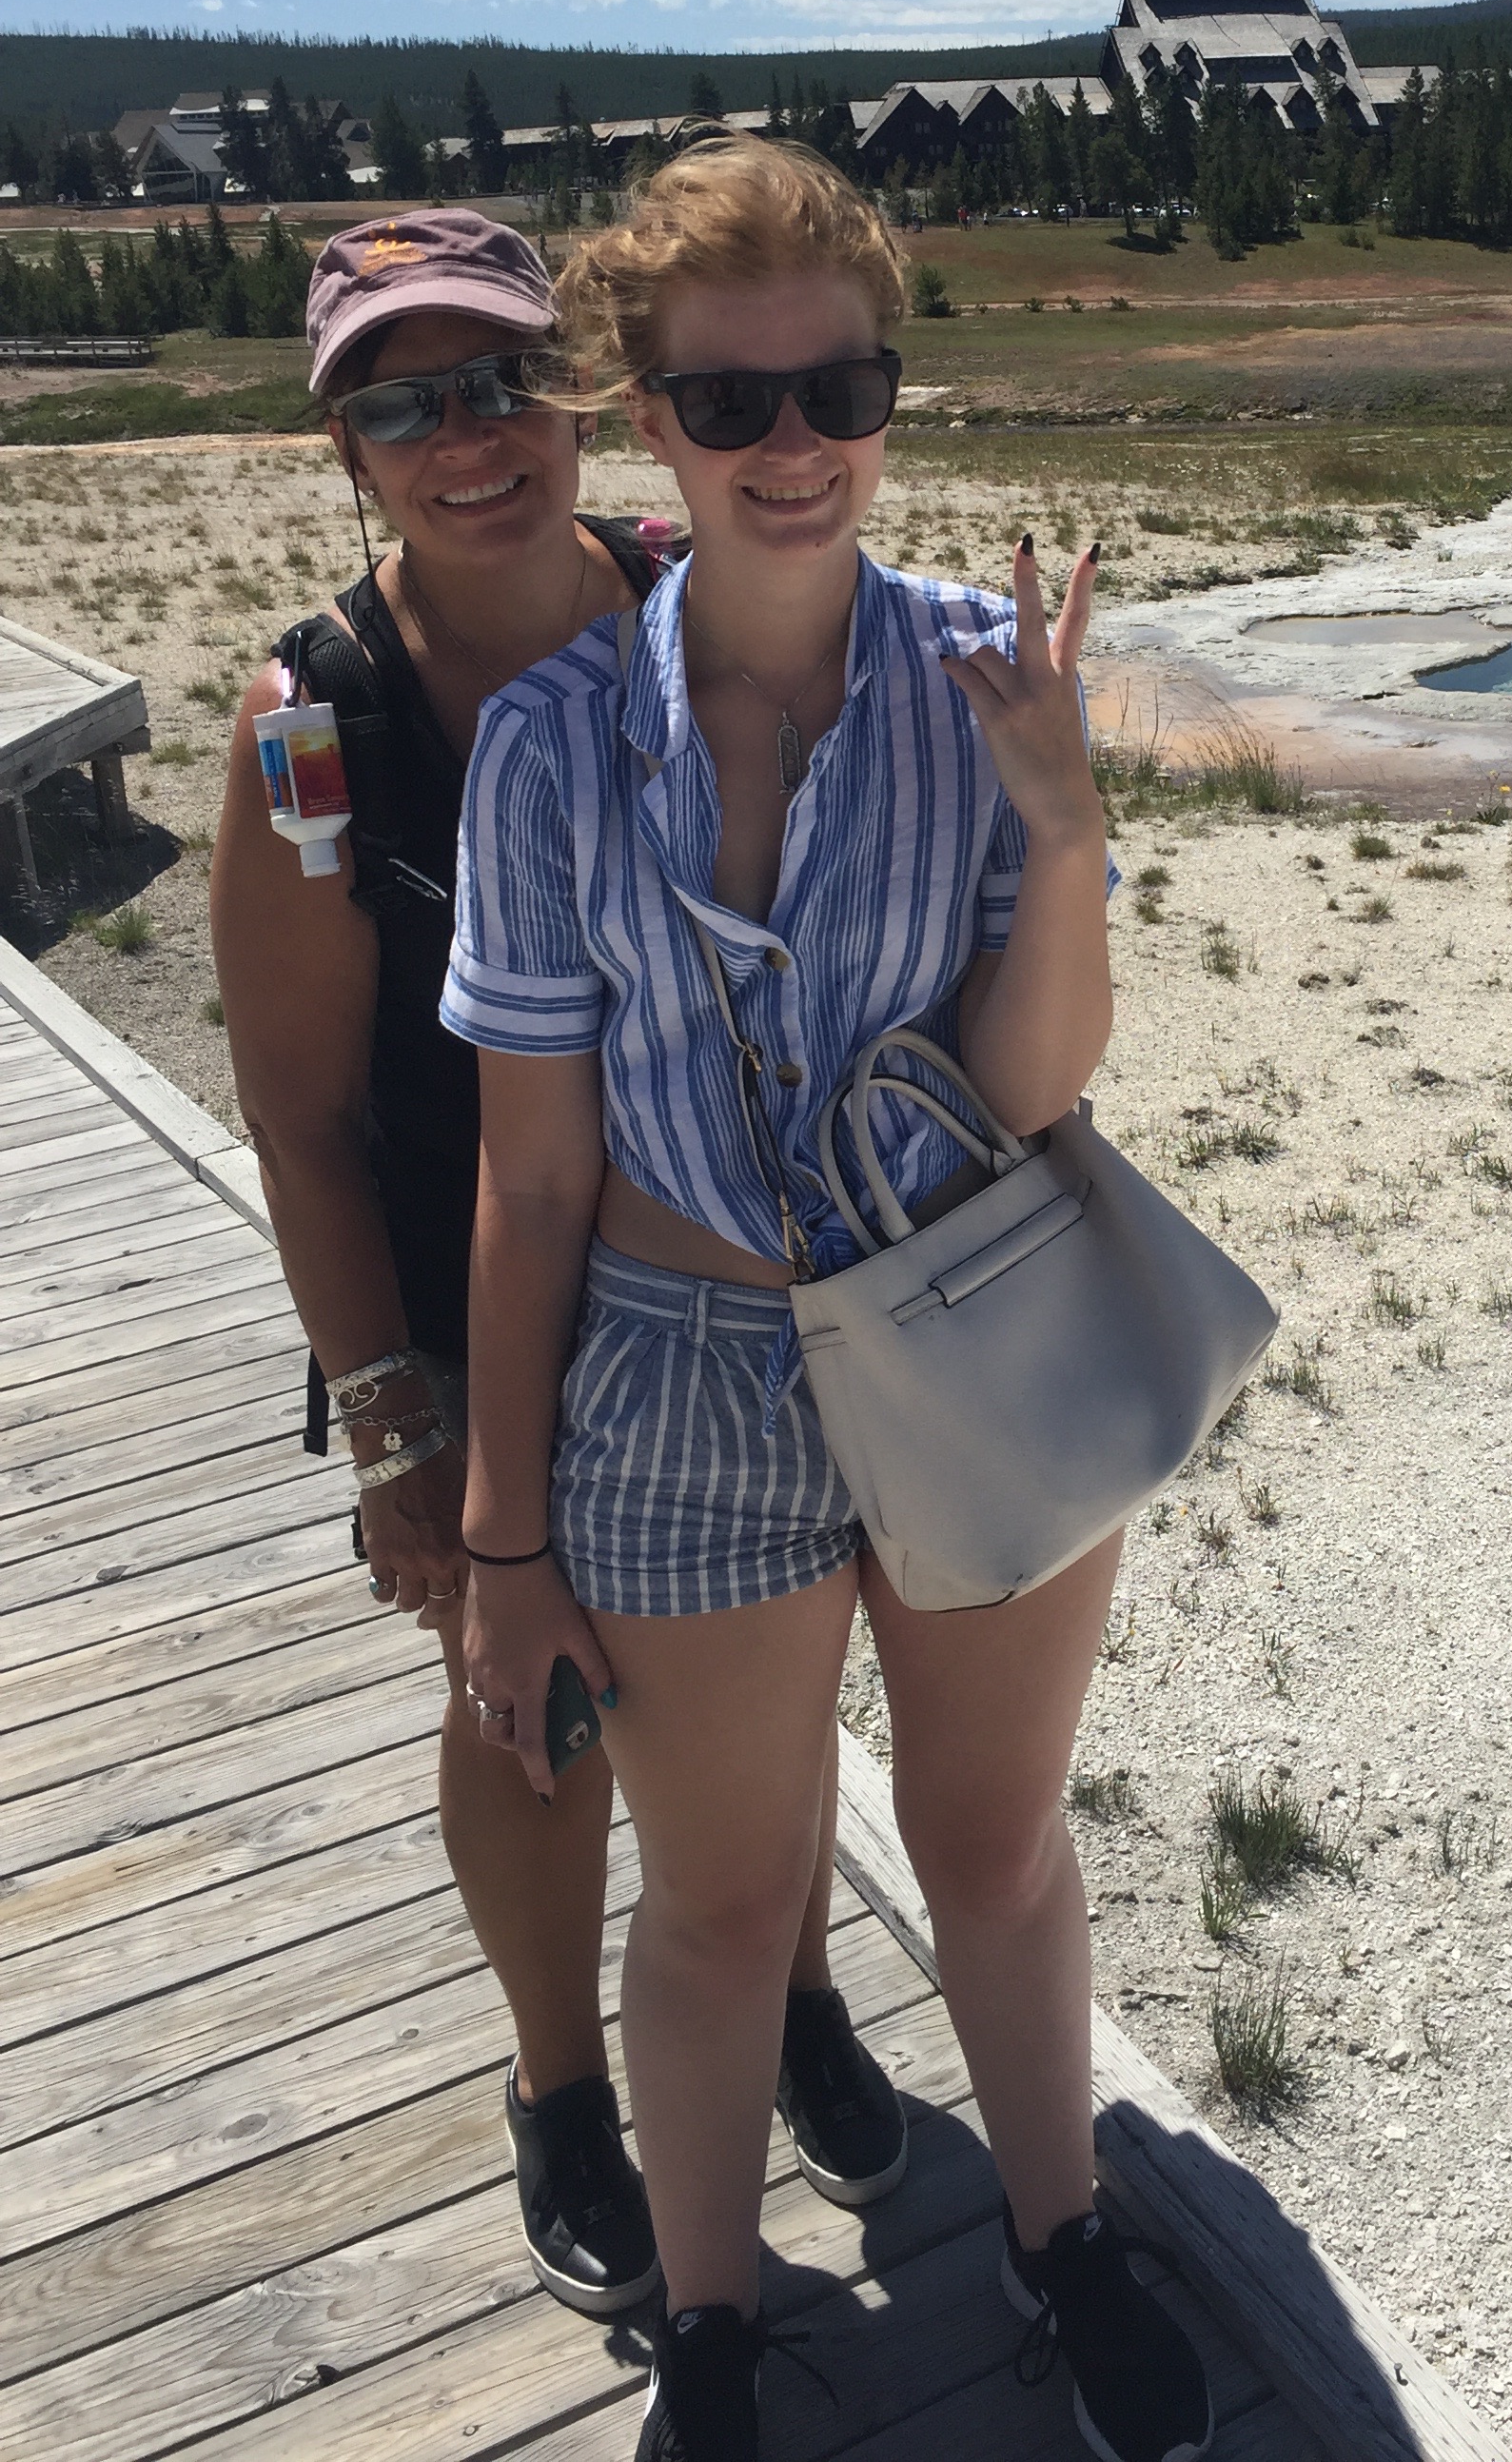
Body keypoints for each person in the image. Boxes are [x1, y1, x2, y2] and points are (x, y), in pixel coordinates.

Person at [447, 143, 1212, 2462]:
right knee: (721, 1900)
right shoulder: (551, 742)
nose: (793, 447)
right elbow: (534, 1176)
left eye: (839, 391)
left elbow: (1031, 1088)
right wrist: (499, 1538)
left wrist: (1063, 828)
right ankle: (711, 2326)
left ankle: (1066, 2241)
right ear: (648, 417)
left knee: (994, 1847)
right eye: (729, 403)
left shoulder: (984, 680)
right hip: (680, 1379)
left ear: (889, 392)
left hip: (968, 1324)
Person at [209, 207, 906, 2326]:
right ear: (344, 450)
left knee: (760, 1693)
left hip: (720, 1270)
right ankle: (557, 2087)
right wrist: (391, 1430)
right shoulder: (313, 727)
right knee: (528, 1706)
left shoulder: (702, 596)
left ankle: (792, 1990)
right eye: (403, 406)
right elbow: (302, 1114)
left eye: (504, 380)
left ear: (581, 393)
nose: (469, 436)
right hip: (468, 1285)